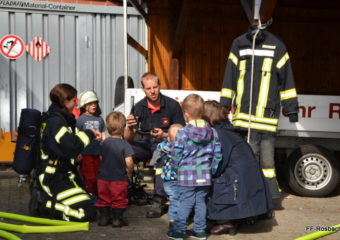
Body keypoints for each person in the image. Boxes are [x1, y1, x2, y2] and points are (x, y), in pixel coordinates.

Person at [219, 23, 299, 208]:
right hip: (244, 118)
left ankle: (270, 197)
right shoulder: (239, 44)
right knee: (248, 159)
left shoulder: (277, 45)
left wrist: (291, 108)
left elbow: (287, 79)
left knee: (267, 163)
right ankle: (252, 197)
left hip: (266, 118)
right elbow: (229, 77)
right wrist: (224, 106)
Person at [32, 83, 101, 222]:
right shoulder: (54, 122)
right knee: (87, 213)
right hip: (53, 178)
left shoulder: (61, 119)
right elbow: (71, 145)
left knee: (92, 205)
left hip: (64, 174)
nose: (77, 103)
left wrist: (75, 155)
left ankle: (46, 201)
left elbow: (64, 146)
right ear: (65, 102)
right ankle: (43, 205)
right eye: (75, 100)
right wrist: (90, 134)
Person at [203, 100, 273, 235]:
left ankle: (227, 221)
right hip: (248, 185)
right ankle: (242, 216)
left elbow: (218, 165)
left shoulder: (219, 134)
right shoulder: (228, 131)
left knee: (209, 180)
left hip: (237, 183)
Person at [124, 72, 185, 218]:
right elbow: (128, 138)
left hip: (165, 143)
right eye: (148, 88)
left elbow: (182, 134)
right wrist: (129, 127)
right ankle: (124, 192)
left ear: (160, 86)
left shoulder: (172, 105)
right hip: (143, 143)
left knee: (162, 158)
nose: (152, 91)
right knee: (123, 152)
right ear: (143, 89)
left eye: (155, 87)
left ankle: (159, 199)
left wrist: (164, 135)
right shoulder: (138, 107)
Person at [169, 94, 222, 240]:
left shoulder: (183, 133)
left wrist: (176, 168)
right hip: (204, 176)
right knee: (200, 202)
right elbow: (217, 155)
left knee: (185, 202)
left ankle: (178, 231)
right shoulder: (212, 132)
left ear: (186, 114)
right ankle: (200, 231)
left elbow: (176, 154)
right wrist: (211, 171)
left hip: (187, 176)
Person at [96, 112, 134, 227]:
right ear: (123, 128)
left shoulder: (104, 143)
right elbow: (129, 161)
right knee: (118, 199)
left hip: (102, 178)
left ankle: (104, 218)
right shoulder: (124, 144)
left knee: (103, 197)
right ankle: (117, 219)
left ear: (107, 128)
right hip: (118, 178)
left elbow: (100, 158)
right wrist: (130, 172)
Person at [76, 90, 106, 196]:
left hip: (98, 154)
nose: (94, 106)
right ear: (84, 105)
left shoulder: (100, 119)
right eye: (90, 103)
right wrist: (78, 153)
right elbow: (77, 138)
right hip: (86, 154)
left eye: (95, 103)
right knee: (89, 176)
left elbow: (103, 136)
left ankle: (97, 194)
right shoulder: (80, 120)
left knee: (99, 175)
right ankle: (89, 195)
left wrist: (104, 151)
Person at [158, 124, 183, 233]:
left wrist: (166, 139)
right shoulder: (181, 147)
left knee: (174, 200)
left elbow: (159, 146)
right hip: (175, 180)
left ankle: (174, 220)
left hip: (168, 181)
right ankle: (174, 221)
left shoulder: (167, 146)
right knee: (177, 200)